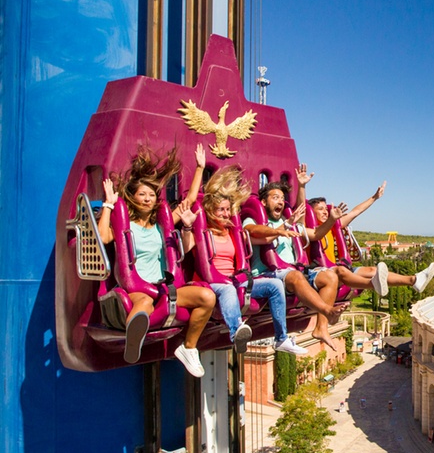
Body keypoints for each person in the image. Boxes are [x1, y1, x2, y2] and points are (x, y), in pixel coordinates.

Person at [98, 144, 215, 377]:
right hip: (139, 288)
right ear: (132, 197)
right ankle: (133, 343)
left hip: (164, 286)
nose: (147, 199)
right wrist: (109, 204)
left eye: (151, 195)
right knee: (143, 305)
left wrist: (200, 168)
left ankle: (189, 348)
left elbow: (189, 200)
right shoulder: (125, 227)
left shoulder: (162, 225)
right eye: (142, 194)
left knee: (207, 297)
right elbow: (102, 237)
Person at [242, 177, 376, 351]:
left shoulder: (290, 223)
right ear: (263, 202)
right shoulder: (253, 220)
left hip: (293, 271)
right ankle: (328, 311)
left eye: (282, 199)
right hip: (268, 273)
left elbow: (316, 234)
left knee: (330, 275)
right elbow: (254, 232)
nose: (280, 202)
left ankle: (321, 328)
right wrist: (282, 228)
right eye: (275, 197)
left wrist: (331, 220)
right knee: (295, 276)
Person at [197, 166, 303, 355]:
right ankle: (235, 330)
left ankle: (281, 338)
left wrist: (282, 228)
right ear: (210, 211)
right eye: (220, 210)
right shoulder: (204, 233)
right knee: (228, 288)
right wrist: (199, 169)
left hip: (235, 279)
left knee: (275, 285)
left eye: (227, 210)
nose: (225, 214)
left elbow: (262, 238)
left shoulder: (233, 232)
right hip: (215, 282)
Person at [297, 164, 434, 294]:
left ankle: (414, 280)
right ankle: (373, 284)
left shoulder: (333, 225)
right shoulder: (307, 229)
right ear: (312, 213)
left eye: (325, 209)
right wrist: (302, 186)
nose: (325, 212)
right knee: (342, 271)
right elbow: (301, 210)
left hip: (337, 269)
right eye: (320, 209)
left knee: (372, 269)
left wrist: (374, 198)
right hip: (324, 273)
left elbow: (355, 212)